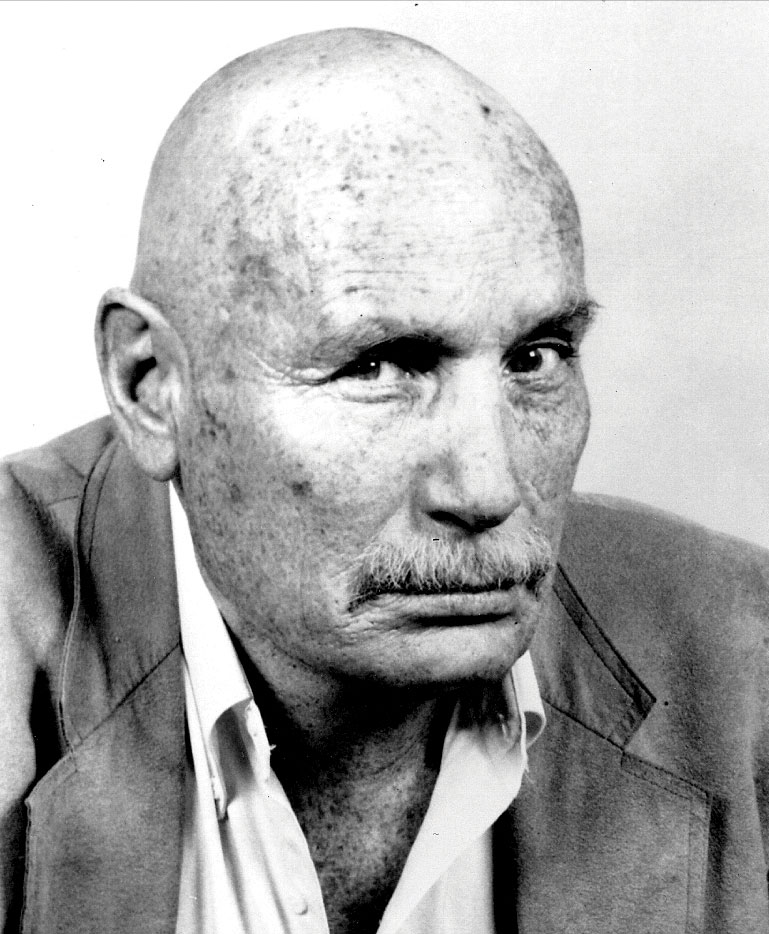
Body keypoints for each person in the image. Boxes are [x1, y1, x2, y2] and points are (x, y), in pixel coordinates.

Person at [1, 27, 767, 934]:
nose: (486, 490)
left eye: (535, 357)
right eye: (380, 366)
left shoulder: (743, 658)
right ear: (151, 386)